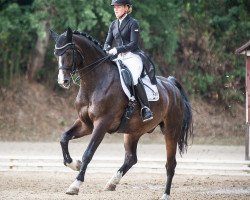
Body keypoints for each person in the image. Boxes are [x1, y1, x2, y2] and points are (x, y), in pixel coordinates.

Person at [104, 0, 155, 122]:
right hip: (120, 57)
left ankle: (145, 108)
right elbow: (107, 42)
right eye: (114, 7)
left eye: (119, 6)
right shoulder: (113, 25)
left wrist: (116, 49)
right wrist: (105, 50)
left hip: (133, 56)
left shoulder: (133, 23)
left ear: (126, 8)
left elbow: (133, 44)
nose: (115, 9)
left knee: (133, 77)